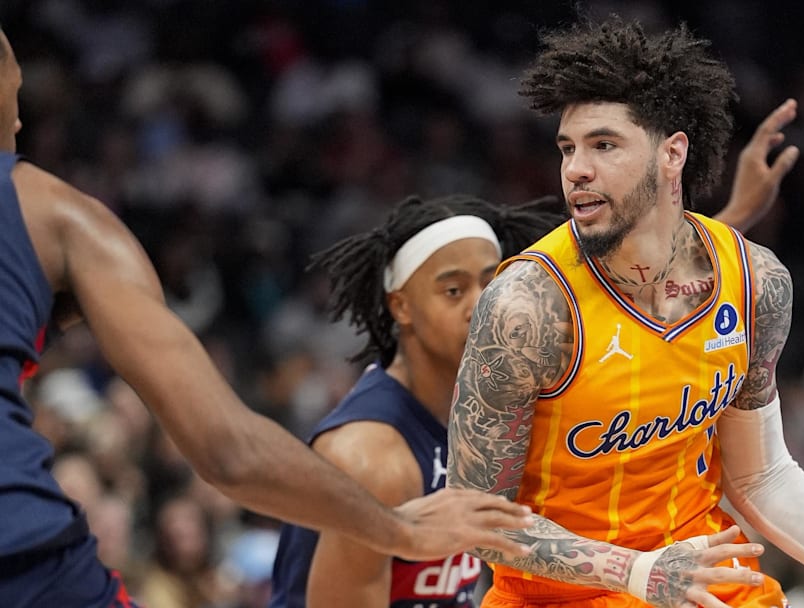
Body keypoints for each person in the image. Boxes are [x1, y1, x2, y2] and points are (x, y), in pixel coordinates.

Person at [445, 17, 804, 608]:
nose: (576, 169)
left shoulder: (755, 282)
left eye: (604, 145)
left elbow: (760, 476)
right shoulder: (528, 307)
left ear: (672, 153)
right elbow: (474, 518)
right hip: (562, 596)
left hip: (707, 580)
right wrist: (638, 572)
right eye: (568, 148)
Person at [0, 29, 533, 608]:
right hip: (26, 557)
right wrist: (402, 529)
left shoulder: (496, 420)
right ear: (399, 305)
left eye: (492, 281)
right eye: (14, 94)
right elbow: (229, 453)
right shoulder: (55, 216)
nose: (21, 122)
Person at [268, 97, 800, 607]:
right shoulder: (373, 456)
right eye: (453, 291)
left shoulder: (508, 376)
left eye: (489, 282)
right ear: (401, 307)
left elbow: (638, 299)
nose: (479, 304)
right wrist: (638, 571)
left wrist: (732, 216)